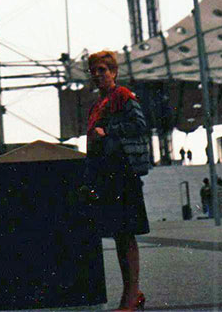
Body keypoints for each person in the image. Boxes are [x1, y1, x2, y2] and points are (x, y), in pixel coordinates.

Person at [87, 50, 150, 311]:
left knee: (126, 234)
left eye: (103, 69)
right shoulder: (98, 104)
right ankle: (133, 292)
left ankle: (131, 295)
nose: (99, 74)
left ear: (114, 72)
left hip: (123, 174)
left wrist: (109, 131)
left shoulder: (122, 96)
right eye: (94, 70)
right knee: (119, 235)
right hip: (107, 175)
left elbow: (140, 124)